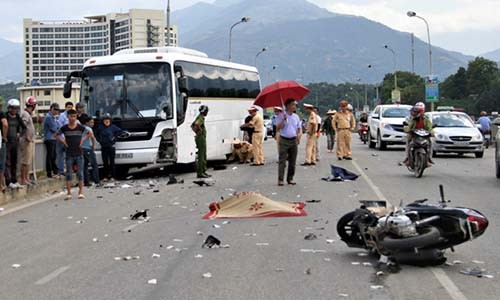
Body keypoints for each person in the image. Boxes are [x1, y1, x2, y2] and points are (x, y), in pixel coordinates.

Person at [55, 109, 91, 200]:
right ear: (68, 117)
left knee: (80, 173)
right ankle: (69, 193)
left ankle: (81, 192)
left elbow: (89, 134)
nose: (73, 118)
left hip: (79, 153)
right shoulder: (64, 128)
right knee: (69, 173)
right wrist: (63, 141)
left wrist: (82, 141)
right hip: (69, 153)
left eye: (74, 116)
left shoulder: (80, 127)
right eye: (71, 116)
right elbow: (56, 135)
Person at [276, 99, 302, 186]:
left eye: (294, 105)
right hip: (284, 139)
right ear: (287, 106)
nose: (294, 106)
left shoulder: (296, 116)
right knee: (282, 160)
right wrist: (283, 120)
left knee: (293, 161)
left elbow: (298, 128)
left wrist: (298, 136)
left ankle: (290, 178)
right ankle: (280, 179)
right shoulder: (281, 115)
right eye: (292, 105)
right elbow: (278, 128)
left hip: (293, 139)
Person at [5, 99, 25, 189]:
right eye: (13, 108)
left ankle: (14, 180)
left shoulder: (17, 117)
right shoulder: (5, 117)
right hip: (7, 142)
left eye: (16, 108)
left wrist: (19, 133)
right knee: (7, 162)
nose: (14, 110)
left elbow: (24, 127)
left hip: (15, 142)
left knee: (15, 162)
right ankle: (8, 181)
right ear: (9, 108)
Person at [97, 114, 123, 181]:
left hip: (111, 147)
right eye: (105, 120)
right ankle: (105, 176)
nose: (106, 121)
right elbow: (96, 134)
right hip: (103, 147)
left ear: (110, 120)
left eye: (108, 120)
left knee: (112, 163)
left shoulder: (113, 127)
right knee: (105, 163)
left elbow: (120, 132)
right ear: (103, 121)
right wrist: (99, 140)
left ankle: (113, 177)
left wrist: (114, 139)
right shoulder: (100, 127)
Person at [19, 96, 37, 185]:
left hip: (30, 140)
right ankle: (23, 179)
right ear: (32, 105)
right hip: (26, 140)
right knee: (25, 161)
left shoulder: (29, 114)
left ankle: (26, 178)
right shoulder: (25, 114)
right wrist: (27, 136)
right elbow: (24, 126)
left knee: (28, 161)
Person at [191, 105, 210, 178]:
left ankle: (203, 171)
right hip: (201, 138)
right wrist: (200, 131)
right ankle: (200, 173)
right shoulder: (201, 118)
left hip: (200, 137)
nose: (207, 113)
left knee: (203, 155)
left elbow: (192, 125)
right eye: (206, 111)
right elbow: (196, 124)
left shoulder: (199, 117)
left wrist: (196, 131)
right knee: (201, 156)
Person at [82, 116, 100, 187]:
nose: (93, 124)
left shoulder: (81, 128)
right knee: (94, 165)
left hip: (82, 148)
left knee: (85, 166)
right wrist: (93, 145)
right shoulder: (88, 129)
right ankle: (97, 180)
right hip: (88, 148)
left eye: (93, 122)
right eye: (91, 122)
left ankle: (86, 182)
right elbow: (92, 137)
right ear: (87, 122)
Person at [56, 101, 74, 177]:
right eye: (68, 107)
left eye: (71, 107)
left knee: (69, 155)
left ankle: (68, 169)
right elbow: (60, 127)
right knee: (61, 155)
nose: (69, 108)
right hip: (62, 138)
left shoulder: (72, 116)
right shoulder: (62, 116)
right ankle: (61, 170)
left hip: (70, 138)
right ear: (66, 107)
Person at [43, 103, 60, 179]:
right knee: (50, 156)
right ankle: (50, 172)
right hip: (50, 139)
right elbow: (55, 129)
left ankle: (54, 171)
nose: (56, 111)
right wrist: (57, 127)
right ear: (51, 109)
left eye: (57, 110)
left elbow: (58, 127)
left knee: (53, 156)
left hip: (53, 139)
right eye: (55, 109)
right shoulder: (49, 117)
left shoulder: (53, 117)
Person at [0, 103, 8, 192]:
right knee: (1, 164)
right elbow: (5, 124)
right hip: (1, 141)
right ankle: (1, 185)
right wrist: (4, 137)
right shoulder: (1, 113)